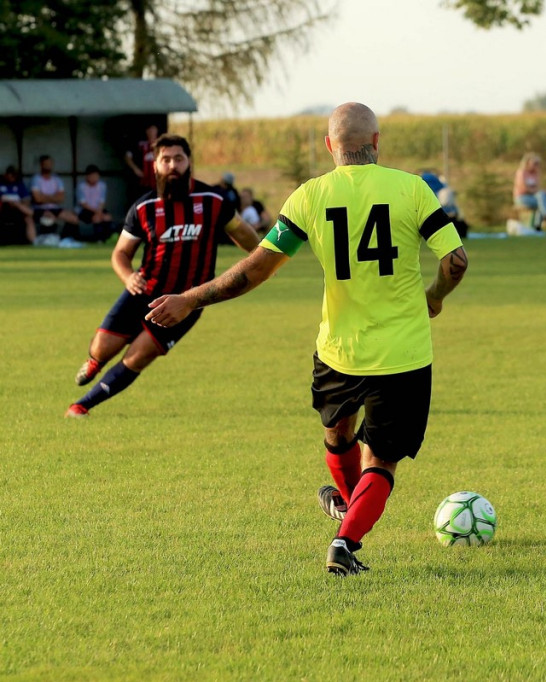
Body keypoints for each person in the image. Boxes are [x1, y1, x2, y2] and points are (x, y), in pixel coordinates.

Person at [145, 103, 468, 577]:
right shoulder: (411, 188)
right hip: (403, 353)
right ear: (377, 142)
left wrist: (191, 298)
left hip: (338, 349)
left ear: (329, 146)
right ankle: (346, 540)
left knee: (338, 437)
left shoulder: (309, 196)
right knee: (381, 459)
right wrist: (435, 296)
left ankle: (348, 507)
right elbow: (455, 261)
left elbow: (253, 270)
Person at [65, 134, 260, 418]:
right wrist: (128, 276)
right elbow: (120, 254)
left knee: (139, 355)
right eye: (165, 160)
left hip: (186, 302)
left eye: (178, 159)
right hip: (143, 292)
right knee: (102, 347)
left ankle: (82, 405)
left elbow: (251, 240)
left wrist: (263, 262)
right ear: (155, 166)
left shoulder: (213, 201)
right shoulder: (143, 209)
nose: (172, 165)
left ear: (189, 163)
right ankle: (95, 361)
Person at [30, 155, 79, 239]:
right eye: (45, 164)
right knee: (47, 220)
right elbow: (37, 199)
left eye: (49, 164)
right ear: (41, 165)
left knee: (74, 219)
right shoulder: (36, 179)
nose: (48, 166)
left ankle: (64, 239)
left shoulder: (57, 179)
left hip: (55, 208)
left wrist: (44, 196)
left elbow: (61, 198)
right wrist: (53, 197)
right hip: (39, 209)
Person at [75, 164, 114, 242]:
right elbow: (83, 204)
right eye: (92, 176)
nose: (94, 178)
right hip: (84, 210)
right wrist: (97, 212)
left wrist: (99, 211)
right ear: (87, 176)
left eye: (96, 176)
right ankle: (98, 239)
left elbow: (102, 201)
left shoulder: (102, 185)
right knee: (96, 218)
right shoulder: (81, 186)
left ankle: (107, 238)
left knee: (107, 217)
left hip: (98, 209)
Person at [513, 153, 546, 230]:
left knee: (542, 197)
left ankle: (540, 223)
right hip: (522, 198)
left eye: (538, 164)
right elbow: (523, 188)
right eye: (535, 163)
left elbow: (538, 188)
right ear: (527, 163)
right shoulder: (521, 172)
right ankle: (545, 217)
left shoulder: (536, 174)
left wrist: (533, 190)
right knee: (542, 201)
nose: (536, 165)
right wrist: (533, 191)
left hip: (533, 198)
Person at [0, 165, 35, 244]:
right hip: (2, 209)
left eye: (13, 175)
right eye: (10, 174)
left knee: (28, 218)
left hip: (17, 210)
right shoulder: (1, 184)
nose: (11, 177)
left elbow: (26, 200)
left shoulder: (19, 185)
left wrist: (17, 204)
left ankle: (33, 242)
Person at [125, 124, 160, 196]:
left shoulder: (162, 145)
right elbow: (127, 156)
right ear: (146, 131)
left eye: (153, 130)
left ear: (157, 131)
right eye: (149, 130)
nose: (151, 132)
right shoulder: (140, 145)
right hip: (143, 182)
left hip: (158, 182)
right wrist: (136, 169)